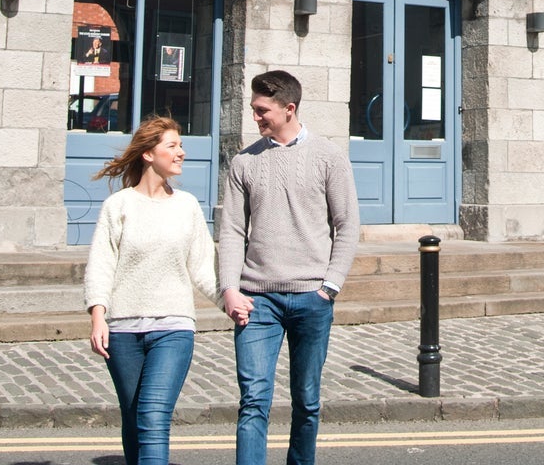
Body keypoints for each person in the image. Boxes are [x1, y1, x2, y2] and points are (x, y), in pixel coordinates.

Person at [218, 70, 361, 465]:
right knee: (253, 401)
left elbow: (347, 225)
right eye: (254, 109)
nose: (256, 117)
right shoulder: (245, 162)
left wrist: (329, 286)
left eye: (262, 110)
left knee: (308, 401)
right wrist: (230, 289)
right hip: (256, 300)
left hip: (311, 298)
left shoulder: (329, 156)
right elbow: (230, 230)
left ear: (289, 108)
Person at [84, 115, 218, 465]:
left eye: (182, 145)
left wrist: (232, 301)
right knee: (133, 419)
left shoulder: (187, 205)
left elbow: (203, 268)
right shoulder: (119, 205)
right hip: (124, 330)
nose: (182, 153)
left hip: (173, 328)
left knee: (153, 416)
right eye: (172, 146)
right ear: (148, 154)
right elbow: (101, 264)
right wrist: (98, 317)